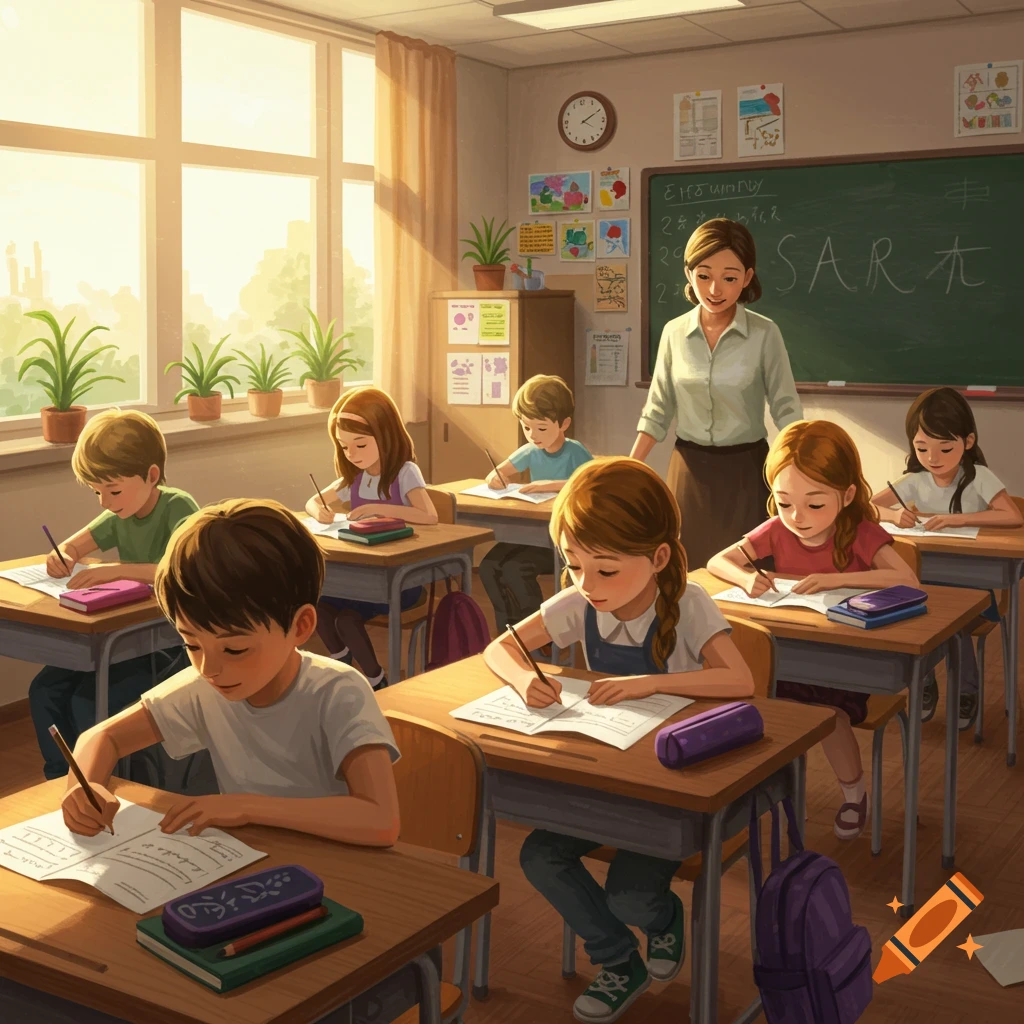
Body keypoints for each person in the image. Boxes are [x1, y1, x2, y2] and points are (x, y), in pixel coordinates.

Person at [484, 457, 753, 1024]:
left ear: (657, 558)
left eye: (605, 570)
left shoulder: (689, 606)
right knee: (539, 855)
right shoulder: (579, 602)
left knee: (629, 894)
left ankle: (662, 921)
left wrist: (648, 682)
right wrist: (525, 677)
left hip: (671, 787)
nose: (587, 585)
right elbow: (499, 647)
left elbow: (741, 680)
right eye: (574, 565)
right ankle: (615, 959)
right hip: (604, 772)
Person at [61, 498, 401, 847]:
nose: (209, 668)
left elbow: (380, 820)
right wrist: (84, 789)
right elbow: (101, 737)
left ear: (300, 626)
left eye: (235, 649)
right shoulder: (205, 687)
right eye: (192, 645)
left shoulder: (338, 692)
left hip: (341, 869)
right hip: (253, 862)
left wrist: (248, 808)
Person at [708, 420, 918, 841]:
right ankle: (764, 791)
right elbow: (718, 561)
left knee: (828, 714)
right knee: (756, 704)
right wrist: (746, 577)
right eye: (784, 503)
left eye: (814, 505)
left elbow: (907, 579)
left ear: (847, 495)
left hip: (848, 659)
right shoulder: (776, 530)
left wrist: (836, 580)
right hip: (787, 653)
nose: (797, 518)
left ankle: (854, 793)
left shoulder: (858, 532)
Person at [30, 409, 199, 779]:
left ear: (151, 476)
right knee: (43, 689)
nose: (105, 502)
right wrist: (62, 557)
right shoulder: (119, 513)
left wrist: (117, 569)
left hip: (164, 642)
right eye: (97, 492)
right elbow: (73, 547)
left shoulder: (178, 507)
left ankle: (97, 781)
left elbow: (184, 568)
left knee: (84, 700)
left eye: (114, 490)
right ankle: (61, 778)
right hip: (116, 635)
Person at [631, 218, 802, 569]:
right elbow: (658, 409)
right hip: (688, 473)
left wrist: (799, 468)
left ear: (748, 278)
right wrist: (629, 467)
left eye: (730, 277)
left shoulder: (765, 334)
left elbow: (786, 409)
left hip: (747, 472)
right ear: (689, 273)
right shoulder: (673, 333)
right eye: (704, 275)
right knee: (684, 574)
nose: (715, 289)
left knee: (749, 575)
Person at [871, 387, 1023, 729]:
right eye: (921, 448)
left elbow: (1012, 516)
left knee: (953, 620)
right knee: (917, 615)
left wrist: (959, 518)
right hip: (926, 580)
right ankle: (925, 682)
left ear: (967, 442)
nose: (932, 458)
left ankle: (966, 690)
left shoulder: (979, 477)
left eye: (944, 448)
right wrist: (894, 517)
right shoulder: (914, 480)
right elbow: (866, 507)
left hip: (975, 587)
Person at [304, 386, 438, 689]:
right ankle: (343, 671)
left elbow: (429, 515)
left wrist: (375, 508)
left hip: (401, 579)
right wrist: (320, 511)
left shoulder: (405, 472)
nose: (352, 454)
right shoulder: (355, 477)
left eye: (360, 446)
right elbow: (313, 501)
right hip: (362, 574)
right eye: (345, 447)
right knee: (320, 608)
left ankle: (377, 681)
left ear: (385, 436)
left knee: (347, 620)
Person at [480, 374, 593, 634]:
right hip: (527, 533)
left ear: (564, 423)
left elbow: (589, 482)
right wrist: (496, 478)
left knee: (514, 570)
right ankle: (508, 631)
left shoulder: (575, 452)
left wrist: (549, 485)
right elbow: (497, 474)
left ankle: (540, 634)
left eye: (541, 428)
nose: (533, 435)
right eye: (526, 427)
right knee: (488, 568)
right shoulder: (531, 450)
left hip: (559, 539)